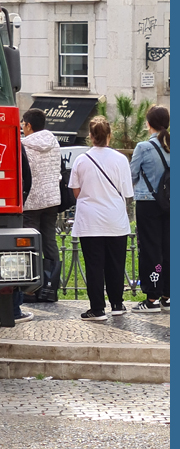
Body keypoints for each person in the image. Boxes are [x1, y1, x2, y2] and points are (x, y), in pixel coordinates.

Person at [69, 116, 134, 321]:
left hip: (90, 221)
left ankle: (97, 308)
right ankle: (117, 304)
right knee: (116, 263)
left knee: (94, 265)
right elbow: (127, 191)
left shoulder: (81, 160)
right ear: (109, 135)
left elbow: (76, 192)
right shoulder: (121, 159)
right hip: (115, 220)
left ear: (90, 136)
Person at [130, 105, 170, 312]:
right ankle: (167, 295)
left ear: (149, 124)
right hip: (171, 204)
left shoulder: (143, 147)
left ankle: (152, 298)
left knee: (150, 249)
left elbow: (132, 175)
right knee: (169, 248)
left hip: (148, 203)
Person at [21, 108, 62, 302]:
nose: (22, 127)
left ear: (29, 125)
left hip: (31, 201)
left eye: (23, 124)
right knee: (50, 242)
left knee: (30, 245)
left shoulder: (23, 145)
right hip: (52, 199)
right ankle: (50, 288)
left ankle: (31, 289)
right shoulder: (54, 142)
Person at [0, 146, 34, 325]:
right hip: (7, 207)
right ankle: (12, 310)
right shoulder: (10, 142)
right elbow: (27, 177)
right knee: (8, 259)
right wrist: (20, 202)